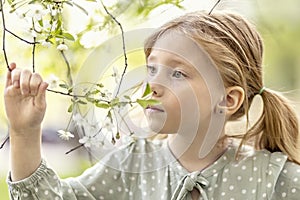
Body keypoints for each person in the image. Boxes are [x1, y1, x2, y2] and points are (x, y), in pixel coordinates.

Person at [4, 11, 300, 200]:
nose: (153, 85)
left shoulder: (273, 178)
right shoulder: (132, 164)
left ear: (228, 99)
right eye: (152, 69)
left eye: (178, 73)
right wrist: (23, 134)